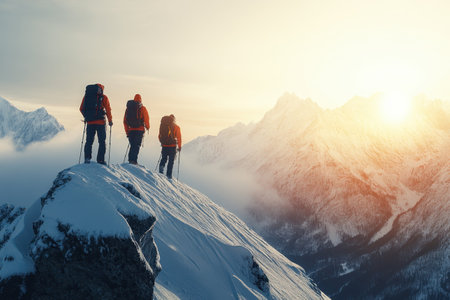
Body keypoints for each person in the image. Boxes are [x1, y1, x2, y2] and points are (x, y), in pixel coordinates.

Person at [80, 83, 112, 165]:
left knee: (89, 141)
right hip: (101, 122)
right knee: (102, 141)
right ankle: (100, 160)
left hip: (90, 122)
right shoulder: (104, 97)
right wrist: (110, 121)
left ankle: (87, 158)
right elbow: (108, 109)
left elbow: (81, 108)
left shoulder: (87, 96)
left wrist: (87, 117)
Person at [123, 94, 150, 165]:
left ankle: (130, 160)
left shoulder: (128, 108)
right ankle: (134, 161)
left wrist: (127, 132)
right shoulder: (143, 108)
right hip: (139, 130)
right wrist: (147, 127)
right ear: (140, 99)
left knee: (132, 145)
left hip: (131, 130)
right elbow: (146, 119)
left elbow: (125, 121)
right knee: (137, 145)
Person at [158, 114, 181, 179]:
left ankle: (161, 169)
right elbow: (179, 137)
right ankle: (169, 174)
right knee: (171, 161)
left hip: (164, 145)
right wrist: (179, 146)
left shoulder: (163, 125)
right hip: (172, 146)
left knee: (164, 158)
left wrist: (162, 142)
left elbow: (159, 135)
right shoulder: (176, 127)